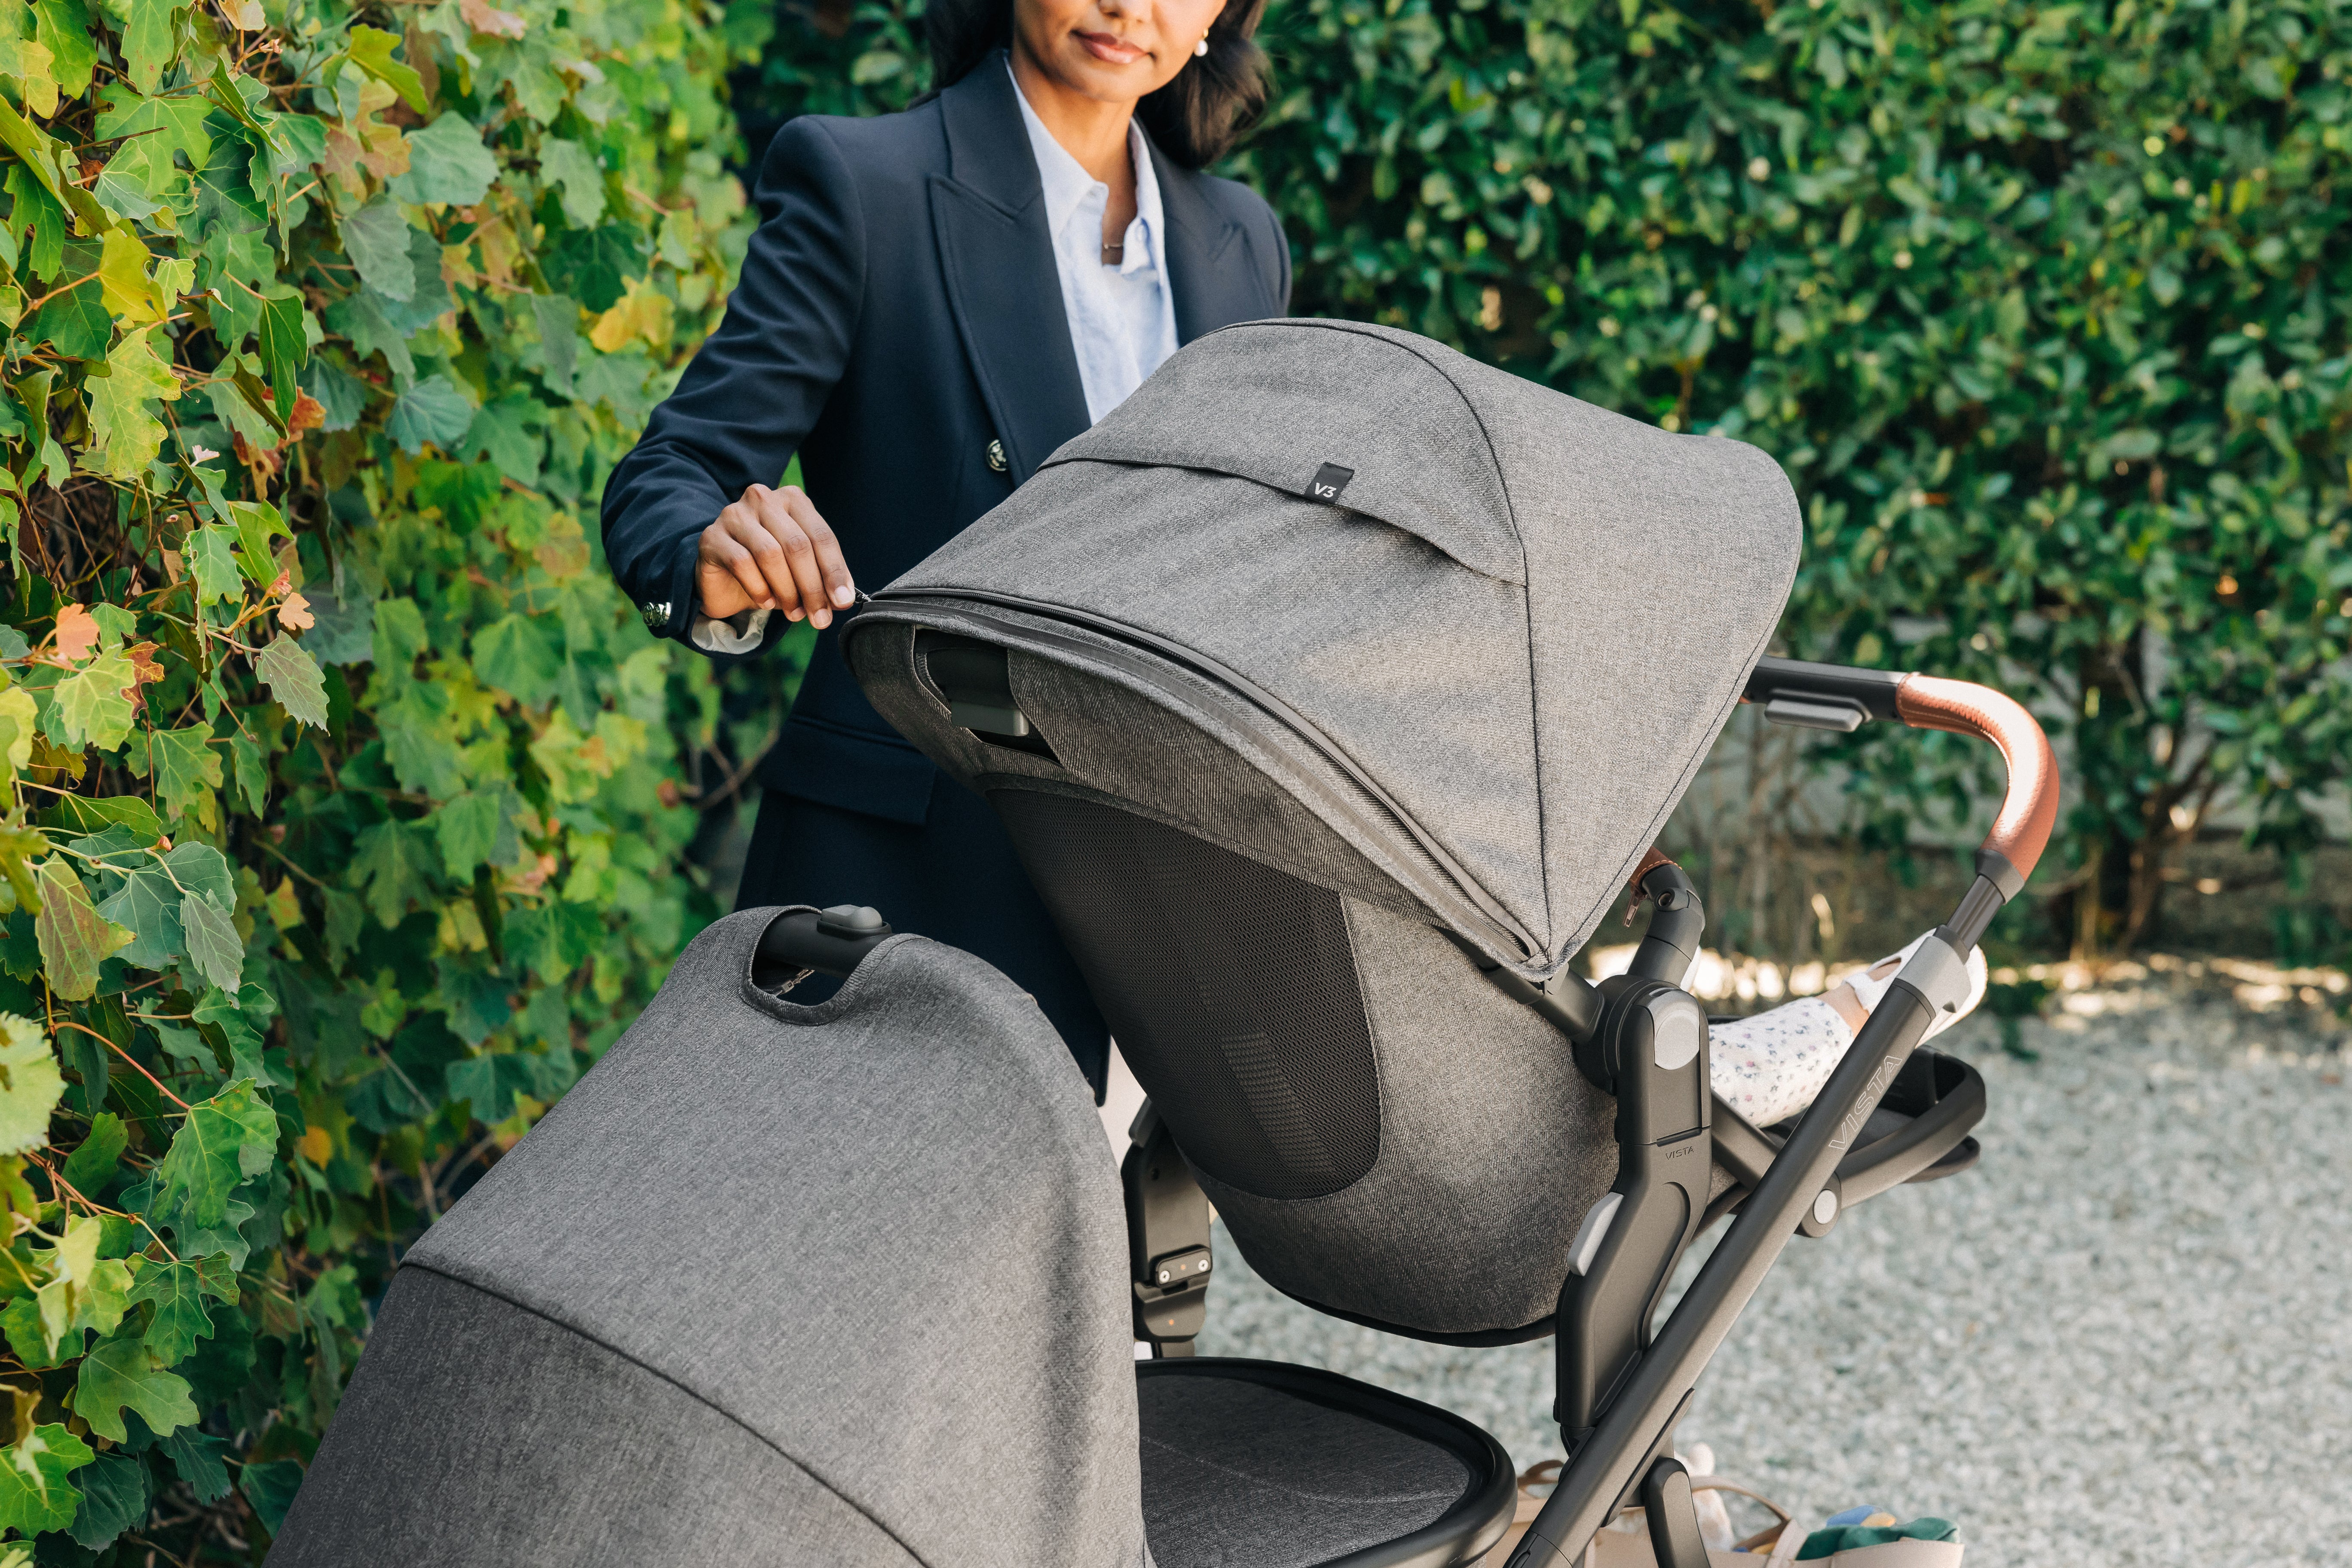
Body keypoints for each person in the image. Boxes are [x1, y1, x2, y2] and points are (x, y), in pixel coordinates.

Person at [600, 0, 1289, 1096]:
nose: (1129, 6)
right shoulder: (865, 181)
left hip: (1175, 943)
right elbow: (671, 472)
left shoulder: (1242, 239)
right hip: (908, 907)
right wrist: (711, 557)